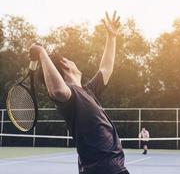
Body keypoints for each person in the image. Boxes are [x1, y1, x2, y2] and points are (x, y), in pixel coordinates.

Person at [29, 11, 129, 174]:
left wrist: (111, 38)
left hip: (111, 168)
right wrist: (42, 53)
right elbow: (57, 91)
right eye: (69, 59)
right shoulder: (71, 96)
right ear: (66, 65)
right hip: (103, 170)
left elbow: (105, 69)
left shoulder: (87, 91)